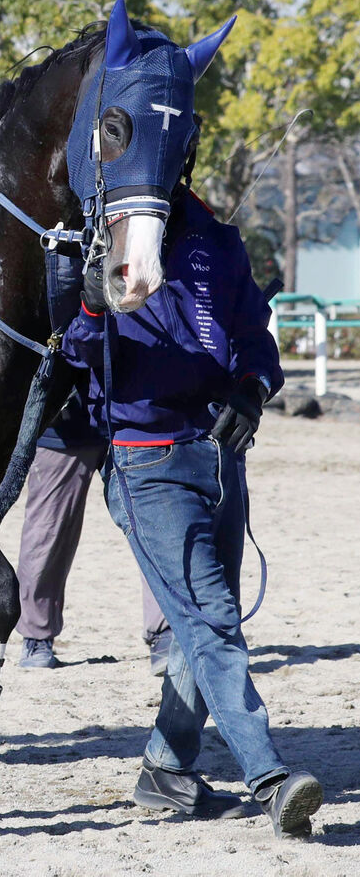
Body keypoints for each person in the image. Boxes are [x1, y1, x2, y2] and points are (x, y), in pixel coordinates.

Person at [60, 184, 324, 838]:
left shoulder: (219, 239)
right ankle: (267, 779)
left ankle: (163, 770)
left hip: (219, 456)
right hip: (143, 467)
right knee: (211, 624)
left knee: (199, 630)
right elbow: (70, 353)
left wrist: (251, 389)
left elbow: (254, 336)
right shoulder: (93, 236)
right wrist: (92, 309)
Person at [15, 389, 172, 673]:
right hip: (63, 421)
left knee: (153, 524)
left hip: (135, 418)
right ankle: (36, 636)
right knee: (47, 531)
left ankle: (165, 632)